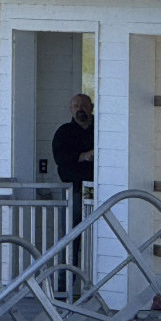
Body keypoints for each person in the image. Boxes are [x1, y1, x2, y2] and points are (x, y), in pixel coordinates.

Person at [52, 93, 94, 227]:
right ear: (71, 109)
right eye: (76, 106)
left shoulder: (102, 129)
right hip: (73, 188)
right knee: (72, 228)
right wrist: (83, 156)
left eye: (84, 105)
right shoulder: (64, 132)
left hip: (95, 187)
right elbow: (60, 158)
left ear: (91, 107)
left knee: (94, 226)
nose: (80, 109)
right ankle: (72, 249)